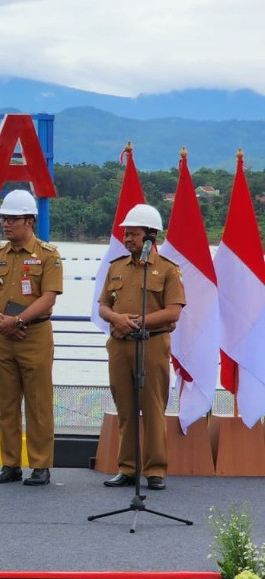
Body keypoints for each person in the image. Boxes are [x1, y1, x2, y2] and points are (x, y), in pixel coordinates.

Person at [0, 189, 63, 486]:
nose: (6, 224)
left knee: (39, 402)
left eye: (12, 219)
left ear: (29, 221)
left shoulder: (48, 256)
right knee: (6, 402)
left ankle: (41, 464)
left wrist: (18, 320)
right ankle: (10, 463)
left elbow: (49, 297)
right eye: (3, 218)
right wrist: (1, 321)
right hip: (3, 335)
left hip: (35, 333)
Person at [98, 204, 184, 491]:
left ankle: (155, 469)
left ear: (151, 236)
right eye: (126, 233)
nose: (127, 238)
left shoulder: (167, 270)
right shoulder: (116, 267)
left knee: (153, 408)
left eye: (133, 233)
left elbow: (173, 312)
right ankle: (128, 468)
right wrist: (117, 318)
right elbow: (103, 306)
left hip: (152, 344)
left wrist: (138, 321)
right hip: (120, 346)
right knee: (125, 409)